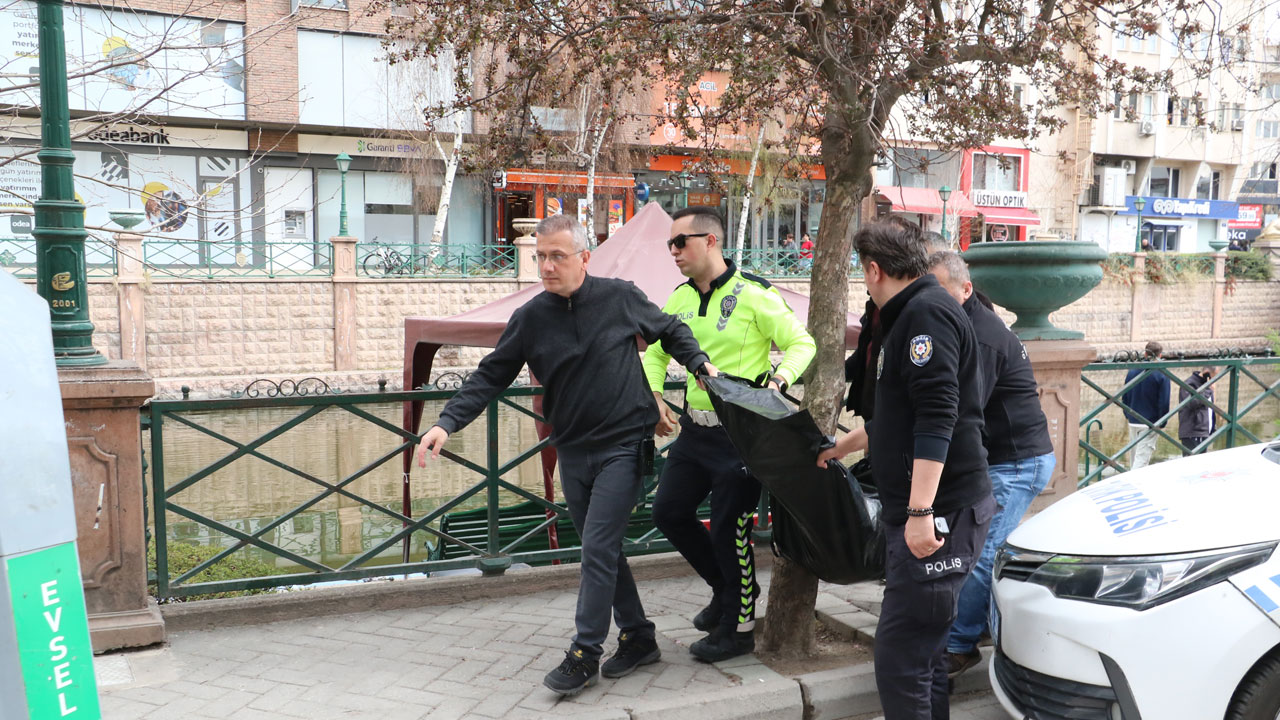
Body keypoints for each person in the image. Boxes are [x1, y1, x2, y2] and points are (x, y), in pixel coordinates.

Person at [416, 214, 715, 697]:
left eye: (558, 255)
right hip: (572, 451)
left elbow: (671, 330)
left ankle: (585, 653)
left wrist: (699, 365)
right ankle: (639, 636)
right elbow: (491, 375)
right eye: (541, 257)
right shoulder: (531, 318)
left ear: (584, 257)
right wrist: (445, 423)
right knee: (607, 549)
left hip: (624, 445)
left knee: (596, 547)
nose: (548, 266)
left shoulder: (620, 297)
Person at [817, 220, 994, 719]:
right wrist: (843, 446)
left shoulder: (923, 316)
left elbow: (938, 416)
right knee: (922, 653)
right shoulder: (911, 312)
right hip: (932, 513)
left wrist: (920, 511)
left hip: (939, 517)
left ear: (874, 270)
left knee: (902, 658)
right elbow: (898, 414)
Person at [642, 206, 816, 663]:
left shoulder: (754, 294)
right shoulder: (678, 299)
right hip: (694, 434)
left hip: (742, 436)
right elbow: (655, 354)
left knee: (728, 529)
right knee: (669, 511)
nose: (674, 251)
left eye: (681, 242)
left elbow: (803, 343)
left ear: (711, 242)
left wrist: (779, 382)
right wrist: (656, 397)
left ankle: (738, 630)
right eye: (670, 245)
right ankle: (727, 591)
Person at [928, 251, 1057, 679]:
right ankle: (980, 625)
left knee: (979, 555)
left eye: (940, 291)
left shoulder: (980, 336)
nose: (932, 300)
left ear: (965, 290)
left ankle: (961, 646)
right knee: (981, 550)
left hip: (1016, 463)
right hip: (1003, 459)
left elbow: (964, 413)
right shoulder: (966, 323)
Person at [1121, 341, 1170, 469]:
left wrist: (1127, 414)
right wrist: (1162, 422)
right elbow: (1164, 401)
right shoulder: (1162, 373)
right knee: (1141, 459)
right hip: (1150, 422)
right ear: (1160, 355)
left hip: (1133, 419)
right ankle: (1133, 484)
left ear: (1145, 353)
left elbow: (1124, 395)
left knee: (1134, 456)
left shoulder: (1132, 371)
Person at [1178, 366, 1216, 456]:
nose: (1215, 380)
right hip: (1193, 432)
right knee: (1192, 466)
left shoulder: (1206, 386)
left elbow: (1209, 408)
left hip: (1204, 433)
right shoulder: (1189, 384)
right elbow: (1192, 403)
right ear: (1207, 373)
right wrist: (1208, 390)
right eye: (1214, 376)